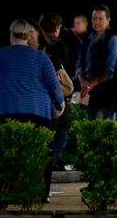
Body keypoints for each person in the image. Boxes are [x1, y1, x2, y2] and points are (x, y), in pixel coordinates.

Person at [0, 19, 65, 202]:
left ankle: (1, 193)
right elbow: (54, 86)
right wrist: (60, 105)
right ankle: (39, 195)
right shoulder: (40, 57)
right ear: (28, 36)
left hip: (3, 112)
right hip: (36, 112)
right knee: (39, 154)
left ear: (11, 35)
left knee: (3, 155)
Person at [38, 13, 72, 174]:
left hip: (41, 98)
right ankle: (44, 175)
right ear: (56, 28)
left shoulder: (37, 46)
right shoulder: (57, 45)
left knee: (45, 138)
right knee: (61, 136)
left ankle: (40, 175)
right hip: (57, 99)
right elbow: (62, 71)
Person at [75, 4, 117, 119]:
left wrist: (90, 85)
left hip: (105, 93)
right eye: (94, 18)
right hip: (87, 91)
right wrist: (82, 82)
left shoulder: (113, 39)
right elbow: (79, 63)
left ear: (108, 20)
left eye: (101, 19)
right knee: (87, 124)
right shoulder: (88, 38)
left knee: (102, 126)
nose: (96, 22)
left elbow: (110, 70)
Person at [60, 14, 88, 78]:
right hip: (75, 71)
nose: (75, 25)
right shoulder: (71, 35)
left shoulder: (90, 36)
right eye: (75, 23)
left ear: (85, 24)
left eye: (78, 23)